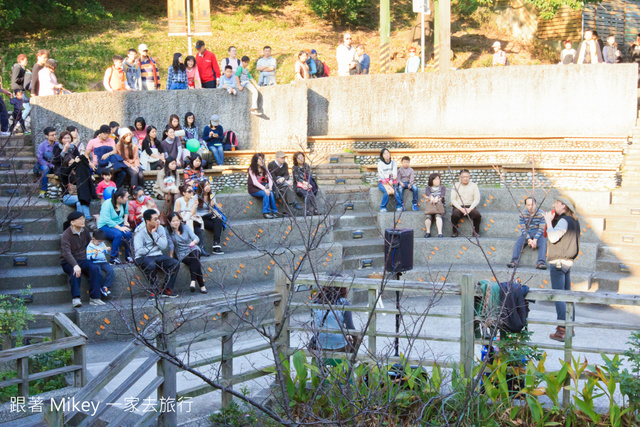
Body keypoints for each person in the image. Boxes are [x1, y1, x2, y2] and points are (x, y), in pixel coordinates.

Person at [545, 197, 580, 342]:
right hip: (567, 262)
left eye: (557, 203)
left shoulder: (564, 220)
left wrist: (548, 221)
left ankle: (562, 330)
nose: (555, 205)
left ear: (564, 206)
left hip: (558, 263)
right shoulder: (574, 221)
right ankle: (570, 327)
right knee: (567, 295)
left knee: (559, 296)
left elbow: (553, 237)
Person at [60, 211, 106, 308]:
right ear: (72, 222)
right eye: (80, 219)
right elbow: (66, 253)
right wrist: (75, 265)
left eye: (83, 218)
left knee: (94, 269)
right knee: (75, 272)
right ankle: (76, 298)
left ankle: (95, 298)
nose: (83, 220)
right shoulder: (66, 235)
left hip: (83, 258)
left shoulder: (84, 230)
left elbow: (89, 244)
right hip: (68, 261)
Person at [134, 209, 180, 298]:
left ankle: (167, 289)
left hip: (157, 255)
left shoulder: (160, 228)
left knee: (175, 263)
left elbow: (163, 246)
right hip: (141, 257)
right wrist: (154, 248)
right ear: (147, 221)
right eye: (155, 219)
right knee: (151, 265)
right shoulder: (139, 230)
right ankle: (153, 290)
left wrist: (154, 234)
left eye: (158, 218)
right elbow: (139, 250)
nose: (158, 221)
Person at [167, 212, 207, 293]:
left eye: (177, 220)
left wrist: (194, 242)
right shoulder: (168, 232)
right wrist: (171, 257)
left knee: (195, 254)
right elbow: (171, 246)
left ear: (180, 220)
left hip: (192, 248)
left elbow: (195, 237)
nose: (176, 223)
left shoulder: (185, 227)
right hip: (182, 253)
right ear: (169, 222)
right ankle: (202, 285)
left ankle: (193, 281)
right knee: (196, 262)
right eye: (173, 221)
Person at [311, 286, 358, 353]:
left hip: (320, 345)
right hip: (339, 345)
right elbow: (350, 327)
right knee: (356, 338)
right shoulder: (344, 303)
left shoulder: (316, 302)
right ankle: (351, 359)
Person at [508, 197, 547, 270]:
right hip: (527, 232)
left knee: (543, 242)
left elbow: (541, 229)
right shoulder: (522, 215)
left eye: (532, 205)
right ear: (526, 206)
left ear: (535, 205)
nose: (531, 207)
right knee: (518, 243)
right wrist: (529, 239)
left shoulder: (542, 214)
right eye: (528, 205)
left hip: (538, 232)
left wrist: (535, 239)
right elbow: (523, 229)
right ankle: (514, 261)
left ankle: (541, 262)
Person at [97, 187, 132, 264]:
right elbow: (107, 220)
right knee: (118, 234)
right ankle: (113, 258)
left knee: (128, 233)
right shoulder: (107, 204)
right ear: (120, 197)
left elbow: (126, 212)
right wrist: (120, 228)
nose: (127, 199)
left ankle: (128, 256)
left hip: (118, 224)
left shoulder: (124, 203)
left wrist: (125, 221)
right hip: (105, 226)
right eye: (126, 197)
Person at [59, 151, 95, 224]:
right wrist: (74, 163)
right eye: (70, 163)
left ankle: (82, 220)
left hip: (78, 196)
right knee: (81, 199)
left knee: (80, 202)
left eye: (75, 163)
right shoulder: (65, 172)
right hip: (67, 196)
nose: (73, 165)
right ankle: (87, 218)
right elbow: (65, 173)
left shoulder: (79, 172)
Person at [174, 184, 209, 256]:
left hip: (190, 220)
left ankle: (200, 248)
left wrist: (195, 205)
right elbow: (178, 215)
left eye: (192, 191)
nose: (191, 193)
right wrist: (186, 217)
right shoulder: (179, 201)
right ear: (184, 193)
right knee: (189, 226)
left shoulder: (193, 200)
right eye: (189, 191)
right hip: (181, 221)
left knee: (197, 229)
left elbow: (193, 213)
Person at [196, 179, 225, 254]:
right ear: (201, 187)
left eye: (209, 185)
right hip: (200, 218)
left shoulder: (212, 195)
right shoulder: (196, 197)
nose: (208, 187)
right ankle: (215, 245)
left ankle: (216, 244)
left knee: (218, 220)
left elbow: (212, 210)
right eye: (205, 185)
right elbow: (193, 210)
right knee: (217, 225)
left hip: (209, 215)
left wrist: (212, 206)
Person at [451, 169, 481, 238]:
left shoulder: (474, 185)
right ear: (460, 177)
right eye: (463, 177)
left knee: (477, 215)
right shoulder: (456, 185)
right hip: (459, 206)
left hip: (470, 206)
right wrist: (461, 209)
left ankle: (476, 232)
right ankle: (454, 232)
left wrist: (470, 209)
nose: (465, 178)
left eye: (467, 177)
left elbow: (477, 199)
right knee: (454, 215)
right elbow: (453, 199)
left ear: (469, 177)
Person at [248, 153, 278, 219]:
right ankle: (266, 213)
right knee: (266, 193)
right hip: (254, 188)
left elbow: (270, 178)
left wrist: (270, 187)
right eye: (260, 160)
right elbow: (255, 182)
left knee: (271, 193)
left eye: (263, 159)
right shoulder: (251, 169)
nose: (262, 161)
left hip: (263, 187)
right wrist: (265, 189)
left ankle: (274, 211)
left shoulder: (264, 168)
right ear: (256, 160)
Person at [86, 229, 114, 298]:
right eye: (98, 242)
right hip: (95, 262)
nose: (99, 243)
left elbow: (104, 251)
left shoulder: (102, 244)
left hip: (103, 261)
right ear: (93, 239)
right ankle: (101, 287)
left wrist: (107, 250)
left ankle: (106, 286)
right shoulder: (90, 246)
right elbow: (88, 257)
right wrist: (94, 255)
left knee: (110, 271)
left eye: (101, 242)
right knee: (99, 273)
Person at [36, 126, 57, 197]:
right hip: (44, 164)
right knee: (45, 168)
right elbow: (40, 159)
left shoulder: (57, 145)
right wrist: (51, 165)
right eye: (52, 135)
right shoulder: (42, 146)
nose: (54, 136)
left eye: (55, 134)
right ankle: (43, 190)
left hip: (55, 164)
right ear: (47, 136)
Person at [424, 172, 445, 238]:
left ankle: (440, 233)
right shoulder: (428, 187)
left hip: (440, 205)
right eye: (435, 179)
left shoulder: (442, 187)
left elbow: (442, 195)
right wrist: (431, 198)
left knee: (438, 216)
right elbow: (428, 194)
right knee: (428, 217)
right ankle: (428, 232)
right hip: (430, 205)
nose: (437, 181)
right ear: (431, 180)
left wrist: (437, 198)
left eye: (438, 179)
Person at [377, 148, 397, 213]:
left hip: (392, 182)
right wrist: (388, 180)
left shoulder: (393, 163)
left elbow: (394, 173)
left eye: (388, 153)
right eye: (384, 153)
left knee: (397, 190)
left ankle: (399, 206)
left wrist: (391, 179)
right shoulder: (380, 164)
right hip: (383, 182)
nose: (387, 155)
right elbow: (381, 174)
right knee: (387, 191)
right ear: (382, 155)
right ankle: (382, 207)